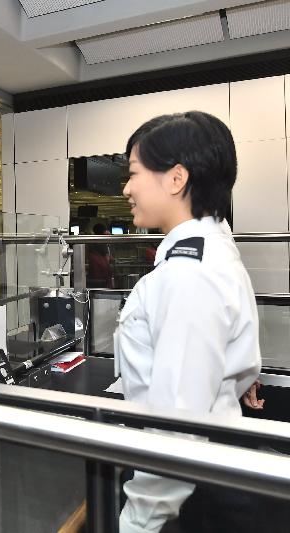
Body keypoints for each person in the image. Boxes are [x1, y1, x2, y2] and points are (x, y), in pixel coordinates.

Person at [115, 111, 262, 533]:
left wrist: (137, 524)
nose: (126, 188)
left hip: (189, 494)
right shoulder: (214, 244)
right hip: (209, 472)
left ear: (176, 178)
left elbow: (177, 428)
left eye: (134, 173)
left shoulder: (188, 274)